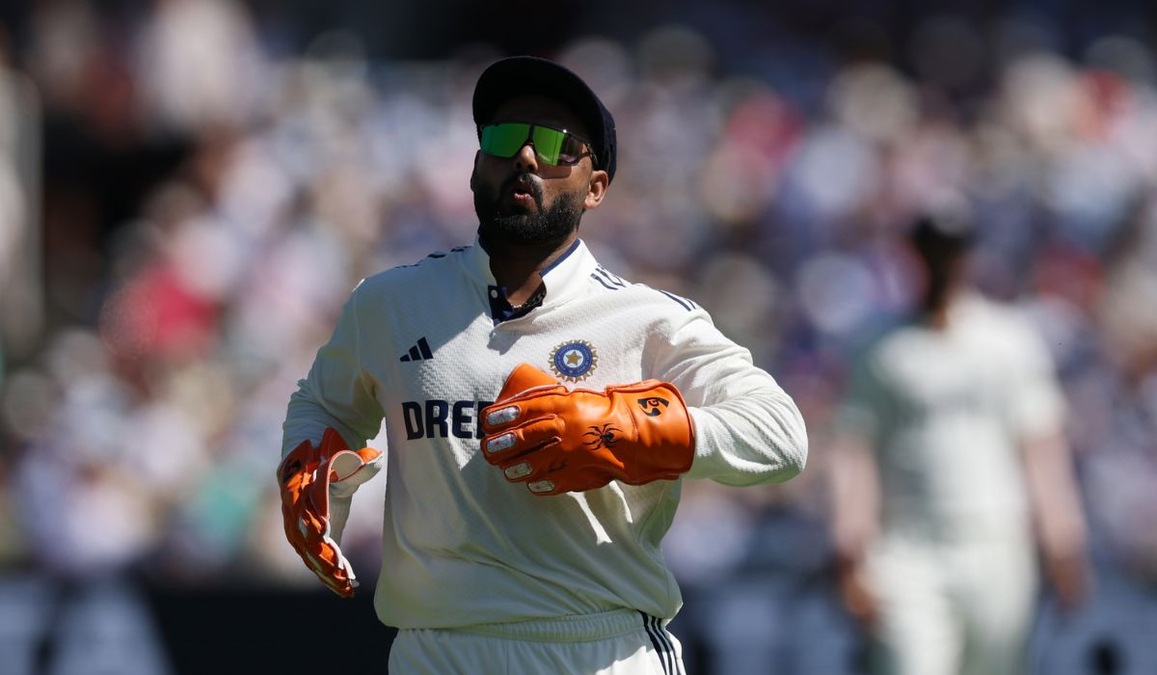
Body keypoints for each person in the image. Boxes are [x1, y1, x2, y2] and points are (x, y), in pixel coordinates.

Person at [275, 55, 809, 674]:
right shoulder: (389, 304)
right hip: (436, 650)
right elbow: (323, 404)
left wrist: (630, 427)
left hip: (598, 648)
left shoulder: (647, 319)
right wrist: (310, 470)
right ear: (476, 165)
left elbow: (781, 435)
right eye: (505, 138)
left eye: (557, 145)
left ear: (596, 186)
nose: (527, 157)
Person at [828, 212, 1090, 675]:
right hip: (907, 548)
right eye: (931, 250)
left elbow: (1041, 447)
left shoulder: (1009, 341)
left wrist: (1063, 539)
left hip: (996, 544)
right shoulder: (879, 348)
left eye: (950, 251)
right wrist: (852, 547)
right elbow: (856, 453)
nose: (940, 263)